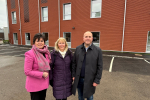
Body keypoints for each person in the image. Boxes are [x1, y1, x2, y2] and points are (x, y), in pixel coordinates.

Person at [72, 31, 103, 100]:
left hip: (90, 80)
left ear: (92, 38)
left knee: (90, 97)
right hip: (79, 79)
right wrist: (73, 75)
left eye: (89, 37)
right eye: (86, 37)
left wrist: (97, 80)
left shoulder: (97, 50)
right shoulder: (78, 48)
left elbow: (100, 66)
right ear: (83, 38)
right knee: (80, 96)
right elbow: (74, 63)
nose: (88, 38)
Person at [24, 33, 51, 100]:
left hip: (44, 83)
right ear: (34, 42)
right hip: (34, 85)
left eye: (41, 41)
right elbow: (27, 71)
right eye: (37, 41)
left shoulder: (46, 52)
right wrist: (42, 74)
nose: (40, 43)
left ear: (44, 42)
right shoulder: (30, 53)